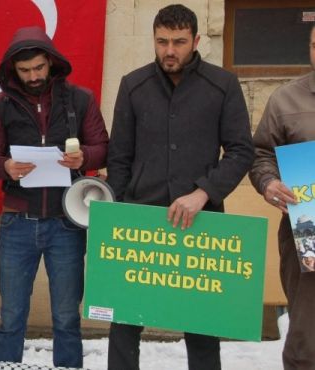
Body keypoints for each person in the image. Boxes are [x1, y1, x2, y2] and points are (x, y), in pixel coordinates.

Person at [106, 4, 254, 370]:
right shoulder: (133, 85)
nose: (169, 50)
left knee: (202, 327)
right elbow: (119, 157)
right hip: (140, 223)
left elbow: (240, 151)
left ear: (196, 41)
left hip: (201, 223)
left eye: (178, 42)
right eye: (162, 42)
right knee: (124, 323)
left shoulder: (223, 86)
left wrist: (204, 191)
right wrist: (120, 218)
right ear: (153, 41)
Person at [0, 26, 109, 369]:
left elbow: (103, 147)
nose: (33, 76)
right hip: (17, 222)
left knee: (67, 316)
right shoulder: (0, 105)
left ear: (51, 63)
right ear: (12, 70)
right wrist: (5, 166)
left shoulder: (80, 99)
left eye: (39, 68)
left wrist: (85, 158)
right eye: (25, 71)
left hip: (66, 222)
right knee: (12, 316)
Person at [249, 23, 315, 370]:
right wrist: (269, 183)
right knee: (306, 333)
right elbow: (261, 154)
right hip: (305, 228)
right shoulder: (285, 99)